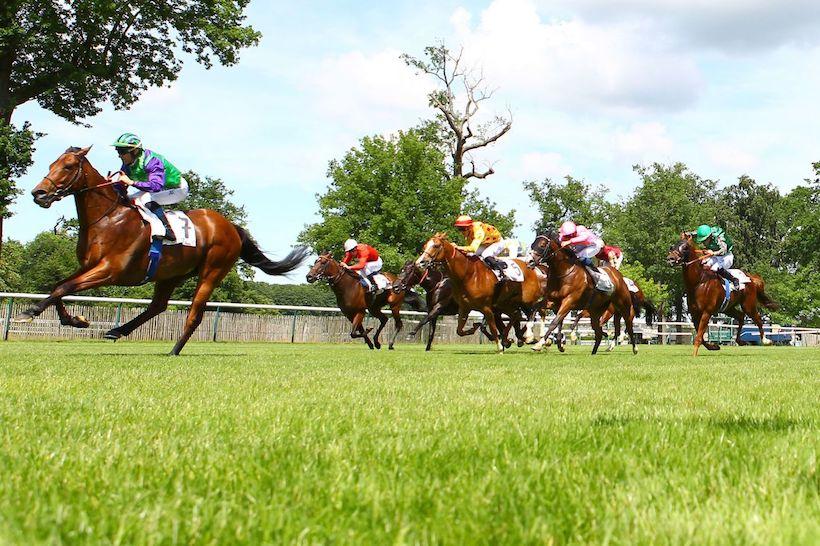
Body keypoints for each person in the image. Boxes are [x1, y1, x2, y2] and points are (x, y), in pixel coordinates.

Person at [111, 133, 188, 242]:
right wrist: (110, 186)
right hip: (157, 190)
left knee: (145, 199)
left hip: (177, 188)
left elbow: (155, 186)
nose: (119, 155)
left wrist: (132, 182)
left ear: (135, 151)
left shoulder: (152, 161)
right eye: (118, 151)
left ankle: (167, 230)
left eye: (122, 152)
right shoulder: (127, 164)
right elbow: (121, 187)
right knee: (129, 199)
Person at [453, 214, 519, 270]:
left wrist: (458, 247)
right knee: (470, 255)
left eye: (463, 229)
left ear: (470, 227)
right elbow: (469, 250)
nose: (461, 231)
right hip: (485, 244)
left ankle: (502, 271)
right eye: (459, 229)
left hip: (497, 242)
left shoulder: (478, 231)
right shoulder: (468, 234)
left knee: (486, 254)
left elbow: (473, 248)